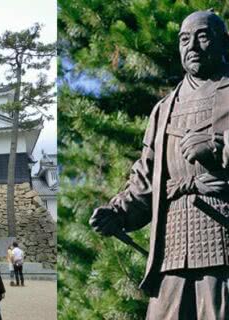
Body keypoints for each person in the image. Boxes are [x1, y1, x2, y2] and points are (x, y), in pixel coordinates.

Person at [90, 10, 229, 320]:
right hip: (172, 246)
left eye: (203, 37)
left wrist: (219, 147)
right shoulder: (164, 109)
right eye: (184, 40)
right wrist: (118, 212)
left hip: (222, 239)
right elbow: (146, 178)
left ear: (223, 43)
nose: (192, 46)